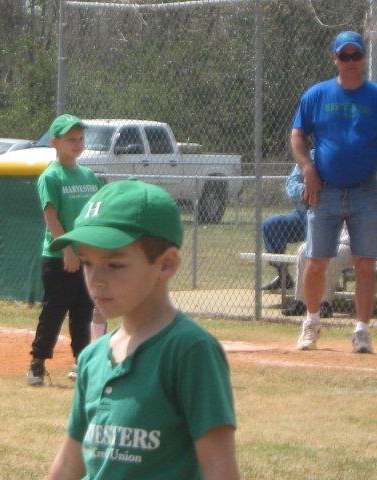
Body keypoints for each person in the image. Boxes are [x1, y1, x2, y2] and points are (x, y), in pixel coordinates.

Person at [47, 179, 239, 480]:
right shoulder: (93, 357)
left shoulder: (189, 350)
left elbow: (220, 467)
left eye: (115, 265)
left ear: (166, 265)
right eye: (87, 263)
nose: (95, 280)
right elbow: (71, 461)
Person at [292, 30, 377, 353]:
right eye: (345, 56)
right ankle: (311, 322)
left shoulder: (374, 96)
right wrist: (308, 169)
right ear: (335, 59)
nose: (351, 62)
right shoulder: (317, 94)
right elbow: (298, 135)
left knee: (365, 262)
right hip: (324, 191)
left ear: (364, 58)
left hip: (364, 191)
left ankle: (361, 331)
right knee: (316, 261)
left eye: (356, 56)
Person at [26, 113, 106, 386]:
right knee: (54, 312)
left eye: (81, 139)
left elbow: (96, 215)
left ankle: (81, 364)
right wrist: (67, 251)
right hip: (59, 257)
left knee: (83, 313)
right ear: (55, 142)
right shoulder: (51, 176)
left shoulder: (89, 176)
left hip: (86, 257)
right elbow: (52, 217)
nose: (77, 143)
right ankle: (37, 364)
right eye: (71, 139)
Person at [282, 225, 351, 317]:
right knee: (304, 250)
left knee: (334, 254)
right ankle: (301, 302)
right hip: (329, 242)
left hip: (352, 248)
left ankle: (324, 304)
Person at [260, 164, 307, 291]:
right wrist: (305, 190)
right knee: (270, 225)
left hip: (324, 213)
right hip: (301, 214)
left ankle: (329, 280)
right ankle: (284, 277)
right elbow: (291, 184)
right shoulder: (306, 157)